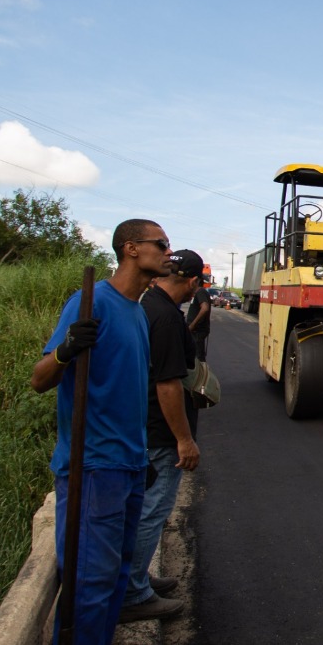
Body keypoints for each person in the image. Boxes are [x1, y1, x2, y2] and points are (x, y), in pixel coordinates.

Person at [29, 219, 171, 645]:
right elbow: (41, 379)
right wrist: (67, 348)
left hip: (128, 466)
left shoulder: (136, 313)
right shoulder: (90, 304)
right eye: (161, 244)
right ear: (131, 249)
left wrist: (143, 456)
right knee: (89, 585)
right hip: (94, 470)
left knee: (111, 584)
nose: (168, 251)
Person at [119, 249, 204, 623]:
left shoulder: (146, 304)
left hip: (144, 424)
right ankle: (133, 594)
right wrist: (184, 440)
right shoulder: (168, 318)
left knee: (143, 509)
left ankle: (137, 578)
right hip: (160, 431)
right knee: (153, 511)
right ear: (192, 282)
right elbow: (168, 385)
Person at [185, 270, 213, 361]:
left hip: (197, 331)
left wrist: (192, 325)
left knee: (198, 357)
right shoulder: (197, 293)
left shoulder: (201, 292)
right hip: (195, 331)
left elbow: (204, 308)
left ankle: (201, 374)